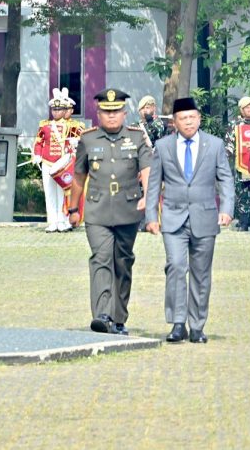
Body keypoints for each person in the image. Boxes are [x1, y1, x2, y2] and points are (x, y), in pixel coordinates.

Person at [145, 97, 234, 344]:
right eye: (183, 118)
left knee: (201, 273)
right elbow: (154, 184)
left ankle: (197, 325)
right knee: (175, 266)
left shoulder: (214, 145)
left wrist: (227, 208)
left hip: (205, 216)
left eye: (192, 117)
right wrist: (151, 216)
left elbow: (226, 178)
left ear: (199, 119)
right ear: (174, 122)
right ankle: (177, 323)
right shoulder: (163, 146)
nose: (188, 122)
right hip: (173, 217)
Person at [68, 88, 151, 336]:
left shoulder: (137, 137)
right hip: (97, 212)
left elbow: (147, 170)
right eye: (107, 111)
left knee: (123, 263)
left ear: (124, 113)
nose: (112, 115)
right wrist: (73, 208)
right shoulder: (88, 139)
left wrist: (148, 197)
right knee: (101, 258)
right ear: (98, 113)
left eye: (116, 111)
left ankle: (118, 318)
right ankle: (102, 315)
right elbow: (79, 176)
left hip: (128, 210)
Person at [34, 88, 79, 233]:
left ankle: (62, 220)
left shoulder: (72, 126)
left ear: (65, 110)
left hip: (62, 164)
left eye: (59, 109)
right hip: (47, 162)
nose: (55, 112)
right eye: (54, 109)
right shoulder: (45, 125)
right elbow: (38, 142)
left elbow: (78, 141)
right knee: (49, 193)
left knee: (62, 194)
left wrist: (75, 144)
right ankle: (52, 222)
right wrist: (37, 155)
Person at [225, 96, 250, 231]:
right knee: (243, 194)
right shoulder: (235, 124)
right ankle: (243, 222)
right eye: (247, 107)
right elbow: (229, 144)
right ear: (241, 110)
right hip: (241, 166)